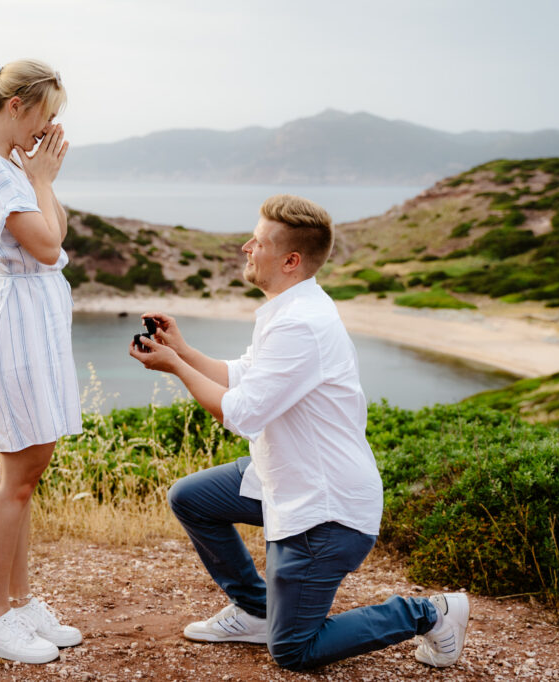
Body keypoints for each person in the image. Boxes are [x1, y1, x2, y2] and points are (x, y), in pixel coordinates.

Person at [128, 194, 469, 671]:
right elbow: (246, 374)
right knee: (191, 497)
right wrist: (181, 350)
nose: (247, 246)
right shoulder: (290, 308)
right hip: (285, 476)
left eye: (259, 242)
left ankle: (431, 612)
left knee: (293, 650)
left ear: (290, 260)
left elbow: (242, 414)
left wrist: (176, 369)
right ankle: (254, 611)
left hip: (325, 509)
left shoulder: (302, 324)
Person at [0, 59, 83, 665]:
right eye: (47, 114)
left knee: (26, 479)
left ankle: (20, 601)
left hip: (31, 325)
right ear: (17, 107)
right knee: (17, 478)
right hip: (19, 333)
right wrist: (43, 179)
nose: (50, 127)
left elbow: (55, 241)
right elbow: (49, 244)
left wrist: (40, 181)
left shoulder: (7, 167)